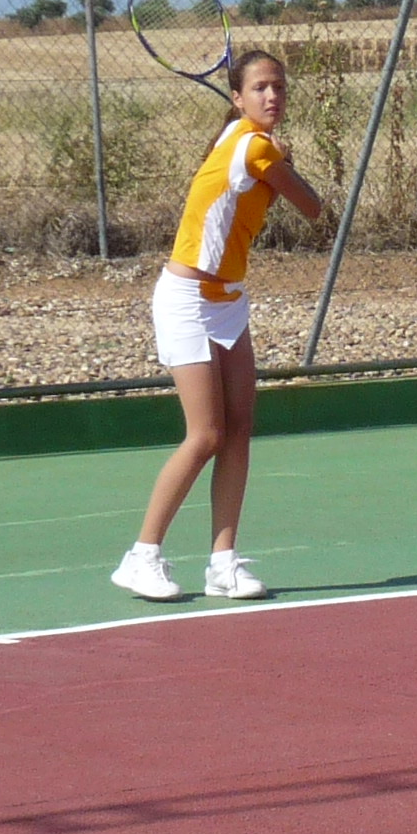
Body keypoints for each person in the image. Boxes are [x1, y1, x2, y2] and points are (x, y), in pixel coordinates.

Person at [114, 48, 328, 602]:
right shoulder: (254, 147)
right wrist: (284, 160)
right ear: (237, 98)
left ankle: (223, 564)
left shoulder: (239, 137)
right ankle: (141, 557)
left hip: (228, 300)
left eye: (279, 87)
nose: (272, 96)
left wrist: (279, 156)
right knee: (206, 433)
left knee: (238, 428)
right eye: (259, 88)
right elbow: (313, 207)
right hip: (185, 299)